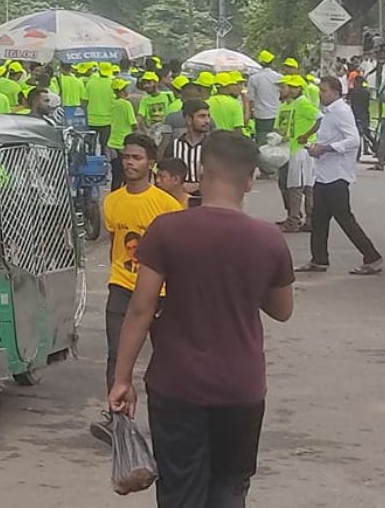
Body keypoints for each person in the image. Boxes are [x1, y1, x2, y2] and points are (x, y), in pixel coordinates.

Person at [109, 130, 294, 508]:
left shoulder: (168, 229)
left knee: (180, 489)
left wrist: (122, 379)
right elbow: (282, 310)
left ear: (202, 173)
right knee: (229, 486)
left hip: (177, 384)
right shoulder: (268, 238)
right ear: (250, 180)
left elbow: (141, 309)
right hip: (241, 386)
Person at [91, 133, 182, 444]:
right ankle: (117, 420)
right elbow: (115, 244)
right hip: (121, 286)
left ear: (151, 164)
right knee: (117, 355)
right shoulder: (112, 201)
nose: (130, 162)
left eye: (137, 158)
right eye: (127, 157)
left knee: (166, 357)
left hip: (161, 293)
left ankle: (170, 419)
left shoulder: (166, 205)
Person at [299, 76, 383, 276]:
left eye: (324, 90)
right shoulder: (326, 112)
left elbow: (353, 140)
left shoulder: (341, 111)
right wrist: (317, 148)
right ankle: (319, 259)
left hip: (337, 175)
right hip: (323, 174)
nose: (321, 94)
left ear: (336, 92)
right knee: (318, 219)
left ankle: (371, 256)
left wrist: (326, 149)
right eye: (320, 90)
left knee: (344, 218)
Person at [276, 75, 319, 232]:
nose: (288, 89)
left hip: (301, 150)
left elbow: (319, 118)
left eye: (293, 87)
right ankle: (305, 219)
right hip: (291, 149)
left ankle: (295, 220)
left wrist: (306, 136)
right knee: (301, 186)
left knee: (298, 187)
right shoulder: (288, 106)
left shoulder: (302, 103)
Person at [169, 99, 212, 206]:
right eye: (201, 116)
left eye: (208, 116)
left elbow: (223, 176)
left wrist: (198, 185)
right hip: (179, 201)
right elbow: (164, 174)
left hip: (207, 201)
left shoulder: (214, 147)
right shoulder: (174, 146)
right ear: (188, 119)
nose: (207, 121)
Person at [248, 51, 282, 140]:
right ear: (272, 62)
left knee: (262, 141)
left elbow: (251, 99)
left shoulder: (253, 78)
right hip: (277, 114)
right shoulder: (279, 77)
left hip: (261, 116)